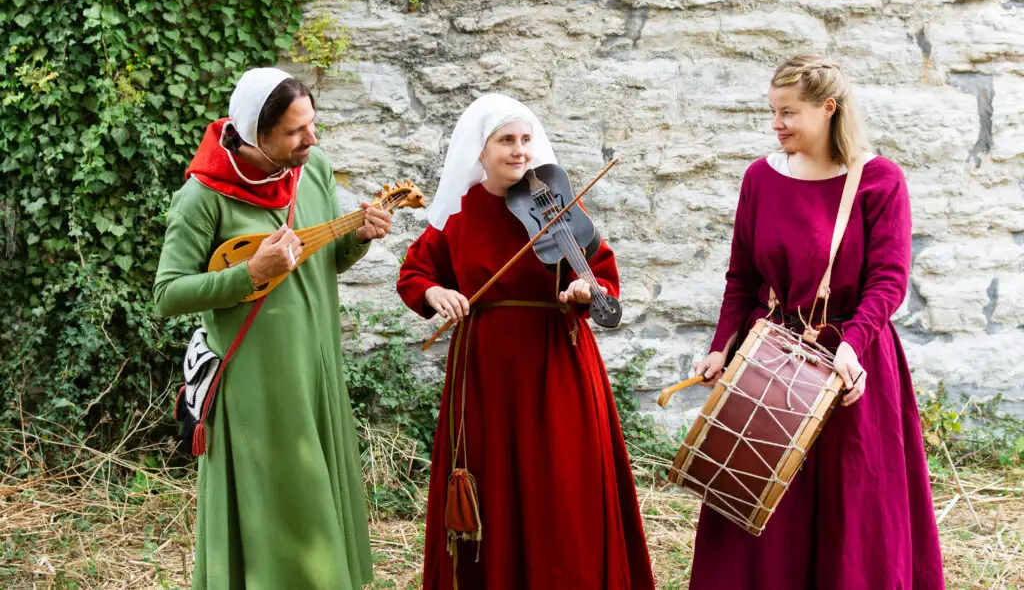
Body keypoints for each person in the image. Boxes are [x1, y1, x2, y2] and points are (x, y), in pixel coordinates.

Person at [688, 55, 944, 589]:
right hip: (769, 358)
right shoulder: (760, 178)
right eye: (773, 112)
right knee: (756, 500)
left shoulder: (880, 180)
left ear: (828, 109)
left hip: (854, 362)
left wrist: (851, 345)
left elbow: (888, 281)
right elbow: (741, 276)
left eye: (789, 112)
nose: (776, 124)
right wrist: (721, 347)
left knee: (854, 505)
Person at [396, 93, 655, 590]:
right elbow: (414, 272)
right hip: (486, 371)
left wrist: (585, 290)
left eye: (526, 140)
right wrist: (435, 292)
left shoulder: (558, 207)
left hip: (557, 363)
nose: (520, 151)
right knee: (494, 487)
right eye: (506, 141)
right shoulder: (459, 212)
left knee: (561, 484)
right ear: (480, 149)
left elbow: (601, 275)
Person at [153, 67, 391, 589]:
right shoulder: (205, 197)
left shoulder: (315, 168)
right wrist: (248, 274)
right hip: (255, 381)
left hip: (315, 363)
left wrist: (360, 237)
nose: (312, 139)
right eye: (294, 132)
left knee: (315, 497)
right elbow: (166, 294)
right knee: (276, 504)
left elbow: (323, 260)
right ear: (254, 134)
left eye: (311, 125)